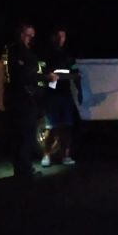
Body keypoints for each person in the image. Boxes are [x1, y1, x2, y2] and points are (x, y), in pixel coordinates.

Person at [5, 23, 59, 180]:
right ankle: (23, 170)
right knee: (25, 135)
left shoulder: (26, 52)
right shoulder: (16, 52)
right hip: (22, 99)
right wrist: (45, 78)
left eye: (33, 36)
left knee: (24, 134)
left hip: (28, 98)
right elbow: (23, 76)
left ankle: (22, 169)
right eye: (29, 35)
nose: (31, 39)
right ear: (22, 34)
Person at [41, 27, 82, 167]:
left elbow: (76, 73)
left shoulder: (68, 55)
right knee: (51, 127)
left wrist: (80, 91)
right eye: (58, 36)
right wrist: (48, 77)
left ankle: (66, 156)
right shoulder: (46, 54)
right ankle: (46, 156)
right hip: (52, 95)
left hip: (66, 94)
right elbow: (41, 74)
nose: (61, 39)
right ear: (53, 37)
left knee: (67, 127)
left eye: (63, 36)